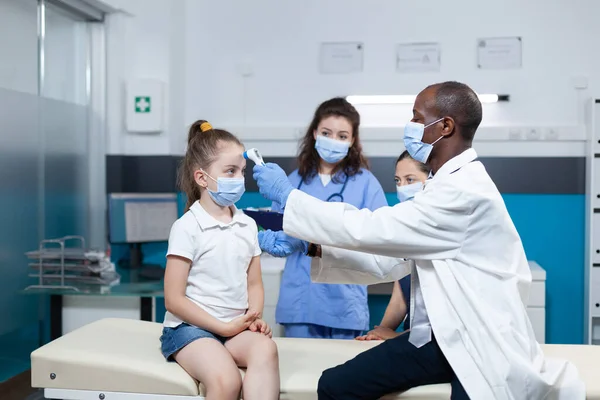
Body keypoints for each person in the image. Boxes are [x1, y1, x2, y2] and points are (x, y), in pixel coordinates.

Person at [252, 82, 585, 399]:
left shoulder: (464, 191)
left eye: (416, 117)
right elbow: (391, 260)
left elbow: (373, 228)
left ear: (445, 127)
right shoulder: (441, 185)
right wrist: (311, 246)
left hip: (478, 339)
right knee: (335, 385)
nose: (409, 125)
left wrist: (289, 196)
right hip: (438, 338)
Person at [160, 120, 279, 400]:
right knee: (227, 381)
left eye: (241, 171)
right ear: (202, 178)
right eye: (230, 171)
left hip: (234, 328)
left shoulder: (247, 225)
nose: (239, 179)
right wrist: (223, 327)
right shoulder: (187, 227)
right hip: (190, 330)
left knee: (266, 348)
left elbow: (254, 284)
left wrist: (254, 317)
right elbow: (173, 300)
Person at [261, 97, 388, 340]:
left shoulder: (365, 184)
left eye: (342, 136)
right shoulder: (293, 182)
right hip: (301, 302)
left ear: (352, 140)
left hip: (345, 303)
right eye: (327, 132)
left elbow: (379, 238)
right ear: (314, 133)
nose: (334, 140)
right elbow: (277, 227)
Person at [355, 151, 431, 341]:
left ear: (431, 181)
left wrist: (394, 337)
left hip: (434, 345)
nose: (402, 187)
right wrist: (378, 333)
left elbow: (443, 323)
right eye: (398, 181)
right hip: (407, 341)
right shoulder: (404, 231)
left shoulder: (440, 233)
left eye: (410, 180)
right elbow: (400, 299)